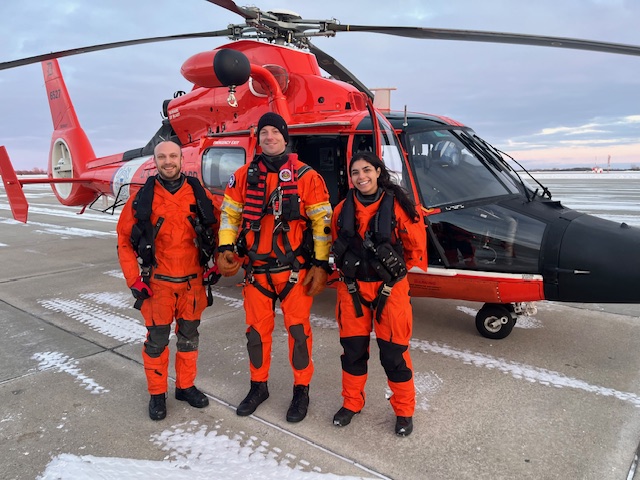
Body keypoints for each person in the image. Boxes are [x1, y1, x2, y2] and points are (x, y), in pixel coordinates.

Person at [216, 112, 332, 423]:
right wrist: (226, 248)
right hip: (256, 272)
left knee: (299, 333)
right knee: (256, 333)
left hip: (293, 271)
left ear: (285, 137)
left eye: (275, 132)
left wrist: (320, 264)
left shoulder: (307, 177)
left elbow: (322, 223)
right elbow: (230, 216)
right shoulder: (241, 176)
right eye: (264, 132)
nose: (269, 137)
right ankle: (258, 386)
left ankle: (301, 389)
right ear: (258, 138)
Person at [116, 140, 219, 421]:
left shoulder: (200, 195)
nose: (168, 161)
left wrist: (220, 265)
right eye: (162, 157)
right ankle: (157, 394)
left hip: (192, 283)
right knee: (157, 342)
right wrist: (133, 279)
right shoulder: (142, 199)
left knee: (189, 338)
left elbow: (220, 230)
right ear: (155, 161)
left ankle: (185, 387)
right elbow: (124, 241)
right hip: (157, 285)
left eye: (173, 156)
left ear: (182, 159)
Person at [331, 151, 427, 437]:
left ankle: (404, 411)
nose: (361, 177)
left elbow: (415, 249)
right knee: (352, 352)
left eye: (366, 170)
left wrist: (391, 274)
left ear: (378, 171)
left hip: (391, 290)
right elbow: (336, 244)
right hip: (352, 290)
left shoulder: (400, 207)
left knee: (394, 355)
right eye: (355, 173)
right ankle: (351, 403)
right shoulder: (341, 210)